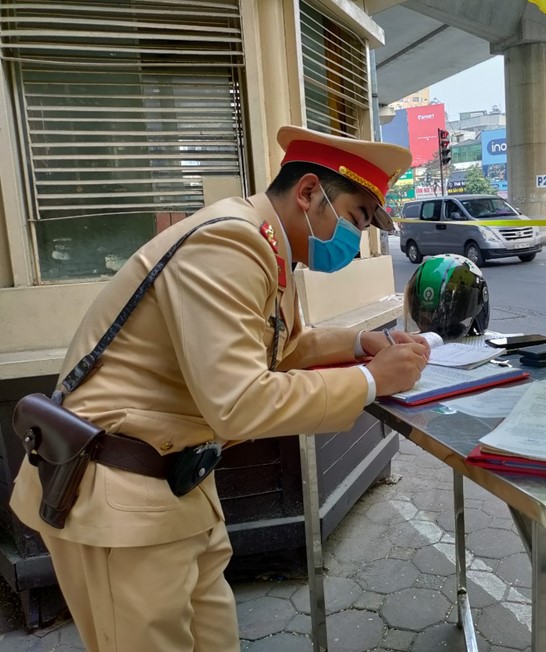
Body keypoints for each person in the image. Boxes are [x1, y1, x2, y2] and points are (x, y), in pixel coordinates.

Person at [10, 125, 430, 651]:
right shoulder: (229, 242)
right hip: (120, 495)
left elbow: (282, 346)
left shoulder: (267, 245)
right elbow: (240, 402)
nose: (356, 237)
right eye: (354, 218)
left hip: (177, 485)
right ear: (307, 194)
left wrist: (360, 342)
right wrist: (370, 380)